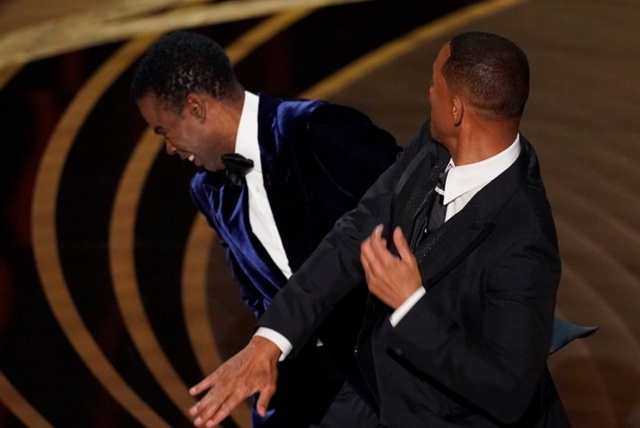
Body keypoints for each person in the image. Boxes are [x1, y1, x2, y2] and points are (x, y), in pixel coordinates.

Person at [187, 32, 574, 427]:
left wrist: (410, 305)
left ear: (456, 108)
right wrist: (270, 340)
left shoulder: (525, 237)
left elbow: (507, 391)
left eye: (434, 85)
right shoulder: (435, 145)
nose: (428, 93)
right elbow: (354, 232)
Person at [130, 31, 401, 427]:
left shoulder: (315, 129)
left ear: (196, 108)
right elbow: (257, 293)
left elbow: (415, 209)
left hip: (388, 368)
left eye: (164, 130)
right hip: (307, 385)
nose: (169, 148)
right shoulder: (207, 190)